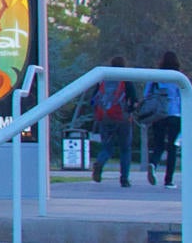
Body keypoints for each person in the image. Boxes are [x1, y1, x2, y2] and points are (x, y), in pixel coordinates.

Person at [79, 55, 139, 187]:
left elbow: (94, 99)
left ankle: (100, 162)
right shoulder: (126, 79)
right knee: (125, 149)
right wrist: (130, 110)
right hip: (122, 118)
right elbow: (134, 100)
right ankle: (124, 178)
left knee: (106, 147)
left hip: (105, 118)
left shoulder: (103, 79)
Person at [138, 51, 185, 188]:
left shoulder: (156, 77)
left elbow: (147, 95)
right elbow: (183, 97)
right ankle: (168, 180)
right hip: (175, 114)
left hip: (158, 114)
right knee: (172, 147)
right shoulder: (178, 78)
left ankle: (153, 163)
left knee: (158, 144)